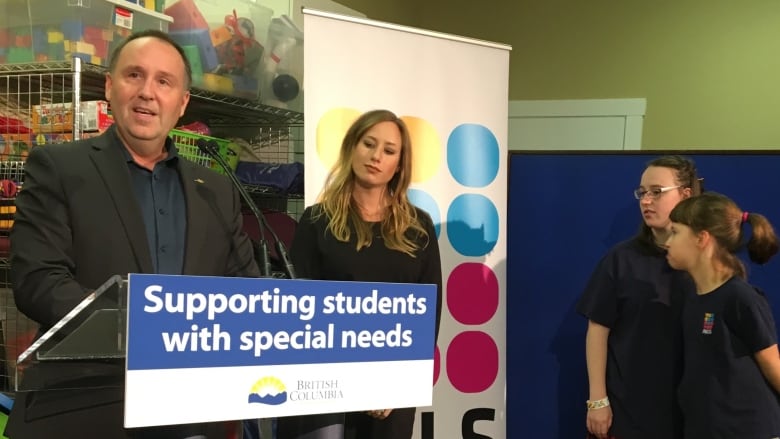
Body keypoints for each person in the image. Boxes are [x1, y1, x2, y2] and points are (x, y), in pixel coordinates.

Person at [6, 30, 259, 438]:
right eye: (134, 75)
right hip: (83, 409)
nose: (147, 92)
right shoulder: (58, 167)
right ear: (109, 86)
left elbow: (243, 290)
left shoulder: (215, 188)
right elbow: (38, 280)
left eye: (164, 81)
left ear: (182, 103)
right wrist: (141, 328)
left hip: (189, 411)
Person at [275, 109, 442, 439]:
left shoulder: (418, 227)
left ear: (399, 163)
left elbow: (428, 315)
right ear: (352, 146)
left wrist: (395, 385)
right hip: (325, 389)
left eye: (389, 151)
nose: (376, 156)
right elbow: (297, 309)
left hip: (391, 395)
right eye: (369, 144)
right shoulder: (316, 221)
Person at [576, 155, 702, 439]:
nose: (646, 201)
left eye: (657, 192)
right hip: (628, 412)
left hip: (691, 413)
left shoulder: (705, 260)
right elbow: (597, 330)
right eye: (642, 192)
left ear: (686, 195)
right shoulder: (622, 259)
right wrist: (598, 401)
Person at [665, 192, 780, 438]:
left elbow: (774, 368)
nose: (667, 241)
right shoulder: (693, 298)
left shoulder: (740, 298)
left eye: (675, 232)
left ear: (702, 238)